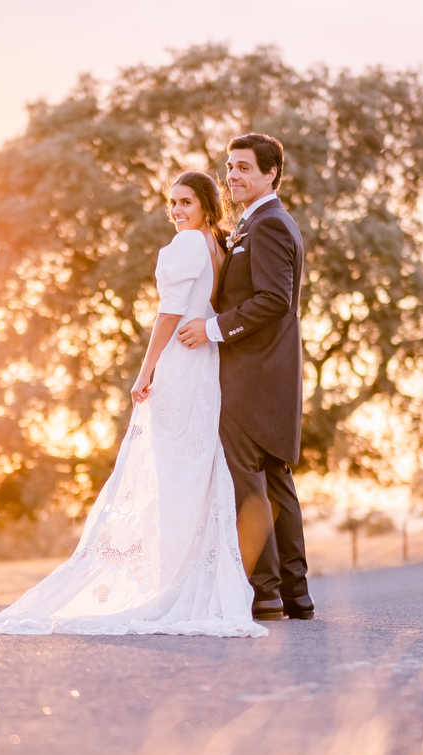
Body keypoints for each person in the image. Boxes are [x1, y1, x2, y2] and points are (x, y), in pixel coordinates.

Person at [0, 171, 267, 638]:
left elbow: (169, 313)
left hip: (181, 364)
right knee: (190, 475)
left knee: (171, 478)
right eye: (171, 203)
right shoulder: (215, 245)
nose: (177, 211)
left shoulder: (187, 245)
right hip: (205, 368)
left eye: (186, 202)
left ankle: (172, 584)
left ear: (207, 203)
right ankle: (185, 581)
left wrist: (147, 369)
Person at [177, 133, 313, 622]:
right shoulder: (257, 223)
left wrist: (213, 328)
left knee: (247, 481)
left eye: (244, 168)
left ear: (271, 173)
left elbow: (275, 300)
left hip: (253, 374)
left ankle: (266, 594)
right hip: (270, 374)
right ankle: (296, 596)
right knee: (276, 481)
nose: (233, 176)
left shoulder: (271, 225)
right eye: (229, 167)